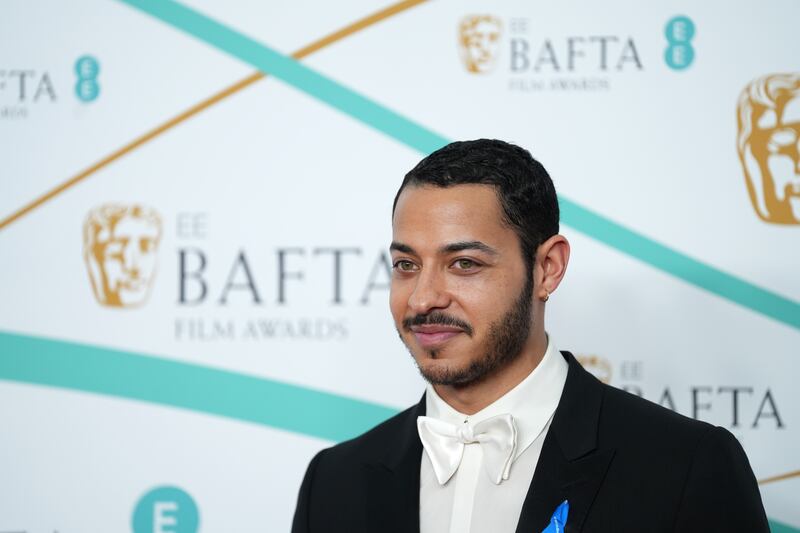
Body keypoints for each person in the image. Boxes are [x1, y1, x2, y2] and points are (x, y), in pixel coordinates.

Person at [291, 139, 768, 532]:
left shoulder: (684, 465)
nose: (422, 299)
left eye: (464, 264)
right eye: (406, 265)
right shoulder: (335, 481)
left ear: (547, 269)